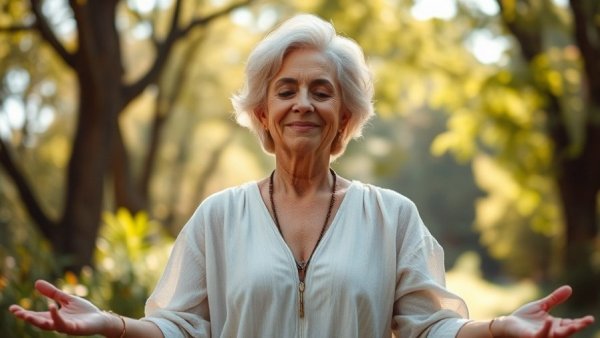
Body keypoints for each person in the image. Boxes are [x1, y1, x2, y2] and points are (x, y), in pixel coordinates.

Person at [9, 13, 595, 338]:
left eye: (322, 91)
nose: (303, 103)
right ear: (261, 113)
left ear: (346, 116)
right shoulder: (219, 216)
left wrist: (495, 330)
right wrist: (110, 324)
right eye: (285, 90)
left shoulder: (392, 217)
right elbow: (180, 328)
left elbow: (428, 329)